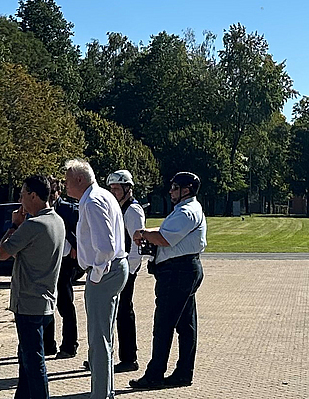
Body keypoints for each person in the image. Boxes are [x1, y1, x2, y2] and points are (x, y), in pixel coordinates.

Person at [128, 172, 208, 390]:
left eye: (174, 188)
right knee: (185, 325)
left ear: (186, 190)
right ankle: (183, 373)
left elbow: (164, 238)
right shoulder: (187, 209)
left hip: (177, 272)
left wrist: (144, 234)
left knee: (164, 325)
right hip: (184, 269)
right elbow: (166, 232)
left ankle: (155, 374)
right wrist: (148, 232)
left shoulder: (185, 212)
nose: (171, 191)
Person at [0, 175, 66, 399]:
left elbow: (2, 253)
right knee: (26, 360)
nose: (20, 200)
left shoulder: (32, 225)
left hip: (28, 303)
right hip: (46, 302)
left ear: (33, 196)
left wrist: (15, 225)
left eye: (22, 194)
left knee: (34, 364)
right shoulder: (57, 221)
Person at [63, 160, 127, 399]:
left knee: (98, 339)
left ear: (80, 179)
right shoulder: (100, 196)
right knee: (104, 337)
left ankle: (100, 394)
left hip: (105, 271)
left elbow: (106, 246)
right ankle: (105, 391)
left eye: (68, 180)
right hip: (112, 269)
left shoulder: (92, 201)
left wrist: (96, 274)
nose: (65, 185)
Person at [105, 170, 145, 373]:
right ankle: (106, 355)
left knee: (124, 311)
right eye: (111, 188)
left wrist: (130, 270)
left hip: (126, 268)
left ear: (128, 188)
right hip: (116, 267)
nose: (114, 192)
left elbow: (137, 243)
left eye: (117, 188)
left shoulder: (133, 210)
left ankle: (129, 358)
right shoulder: (118, 207)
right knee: (114, 312)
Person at [45, 191, 81, 359]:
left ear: (58, 192)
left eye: (53, 192)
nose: (50, 196)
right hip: (48, 260)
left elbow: (81, 229)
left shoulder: (69, 209)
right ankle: (48, 344)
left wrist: (75, 245)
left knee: (65, 304)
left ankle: (69, 345)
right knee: (47, 303)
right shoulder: (41, 209)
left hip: (66, 262)